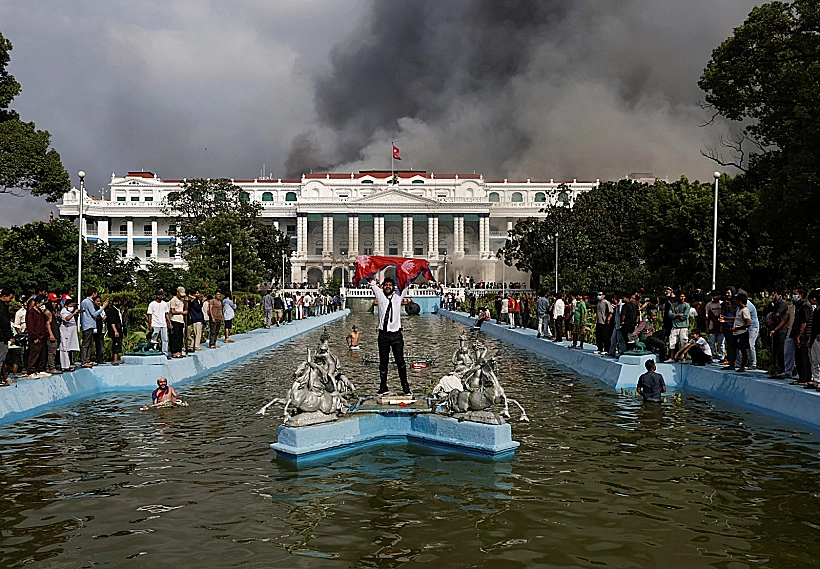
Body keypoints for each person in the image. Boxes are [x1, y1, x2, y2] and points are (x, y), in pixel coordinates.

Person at [370, 277, 411, 395]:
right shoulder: (380, 295)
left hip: (396, 335)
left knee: (400, 362)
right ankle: (383, 386)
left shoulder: (398, 296)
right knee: (383, 363)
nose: (388, 286)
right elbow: (370, 281)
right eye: (386, 285)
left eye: (390, 285)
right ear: (383, 286)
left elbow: (407, 282)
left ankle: (405, 387)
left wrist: (416, 270)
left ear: (393, 287)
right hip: (383, 335)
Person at [80, 288, 108, 367]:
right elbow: (94, 314)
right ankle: (84, 361)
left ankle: (87, 360)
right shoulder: (88, 302)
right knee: (86, 344)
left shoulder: (84, 301)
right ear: (93, 293)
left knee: (89, 344)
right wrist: (103, 307)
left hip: (88, 324)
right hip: (88, 324)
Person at [25, 295, 49, 378]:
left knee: (42, 354)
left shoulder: (40, 312)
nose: (42, 305)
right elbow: (30, 327)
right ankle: (31, 371)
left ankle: (40, 369)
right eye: (42, 303)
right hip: (36, 337)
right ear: (37, 303)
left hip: (43, 336)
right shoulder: (31, 313)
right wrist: (34, 337)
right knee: (34, 354)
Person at [767, 288, 788, 377]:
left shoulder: (782, 303)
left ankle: (782, 368)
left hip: (781, 329)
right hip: (773, 328)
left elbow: (777, 314)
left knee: (780, 349)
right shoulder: (773, 303)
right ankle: (775, 367)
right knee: (774, 349)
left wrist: (772, 315)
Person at [730, 292, 752, 373]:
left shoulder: (745, 310)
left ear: (740, 301)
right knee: (733, 348)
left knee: (743, 349)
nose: (736, 302)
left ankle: (743, 366)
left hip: (742, 333)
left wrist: (737, 328)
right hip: (736, 333)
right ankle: (732, 364)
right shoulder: (738, 309)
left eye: (737, 300)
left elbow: (748, 323)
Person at [146, 290, 171, 357]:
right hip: (155, 324)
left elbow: (166, 314)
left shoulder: (164, 304)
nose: (161, 296)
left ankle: (165, 353)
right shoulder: (152, 304)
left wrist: (169, 322)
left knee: (165, 339)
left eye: (161, 295)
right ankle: (153, 351)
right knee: (154, 339)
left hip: (163, 324)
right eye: (159, 295)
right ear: (156, 296)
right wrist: (150, 325)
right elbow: (149, 315)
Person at [59, 297, 80, 372]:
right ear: (66, 305)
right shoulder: (64, 312)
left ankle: (69, 364)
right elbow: (66, 319)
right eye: (70, 306)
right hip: (65, 333)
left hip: (70, 334)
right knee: (64, 349)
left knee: (69, 349)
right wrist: (73, 313)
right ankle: (64, 366)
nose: (72, 308)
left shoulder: (69, 312)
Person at [668, 292, 690, 361]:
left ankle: (684, 358)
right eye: (681, 296)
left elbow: (685, 316)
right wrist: (677, 315)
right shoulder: (674, 305)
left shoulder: (687, 305)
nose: (682, 298)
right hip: (675, 326)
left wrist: (676, 316)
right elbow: (670, 315)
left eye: (683, 296)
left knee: (684, 342)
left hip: (684, 327)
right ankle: (671, 357)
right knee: (672, 342)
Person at [705, 290, 724, 362]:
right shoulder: (709, 305)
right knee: (711, 343)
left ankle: (721, 356)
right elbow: (707, 317)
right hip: (712, 326)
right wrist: (707, 327)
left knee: (721, 343)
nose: (715, 297)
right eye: (714, 296)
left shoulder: (722, 304)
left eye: (716, 296)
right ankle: (711, 356)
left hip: (720, 326)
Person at [0, 288, 14, 385]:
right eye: (10, 298)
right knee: (1, 358)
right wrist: (10, 336)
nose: (11, 300)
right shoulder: (2, 308)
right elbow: (4, 323)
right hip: (1, 337)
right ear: (4, 296)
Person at [105, 295, 124, 365]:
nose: (119, 303)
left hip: (119, 329)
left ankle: (117, 358)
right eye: (118, 302)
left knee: (118, 343)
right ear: (114, 302)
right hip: (115, 330)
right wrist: (115, 330)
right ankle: (115, 359)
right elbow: (112, 322)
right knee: (116, 344)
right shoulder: (112, 311)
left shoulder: (117, 311)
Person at [169, 286, 187, 357]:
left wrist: (186, 300)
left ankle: (179, 350)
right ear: (177, 293)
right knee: (175, 337)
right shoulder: (173, 300)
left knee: (180, 336)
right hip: (175, 320)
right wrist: (182, 312)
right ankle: (174, 351)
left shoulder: (182, 300)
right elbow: (173, 311)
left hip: (181, 320)